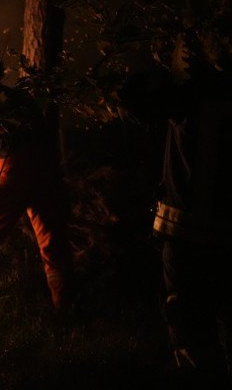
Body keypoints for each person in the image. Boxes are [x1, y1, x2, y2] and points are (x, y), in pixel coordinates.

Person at [120, 61, 232, 387]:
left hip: (189, 243)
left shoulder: (193, 102)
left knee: (190, 330)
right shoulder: (209, 94)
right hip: (204, 240)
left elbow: (140, 98)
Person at [0, 84, 73, 311]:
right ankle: (65, 311)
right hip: (46, 171)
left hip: (13, 173)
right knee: (52, 245)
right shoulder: (23, 98)